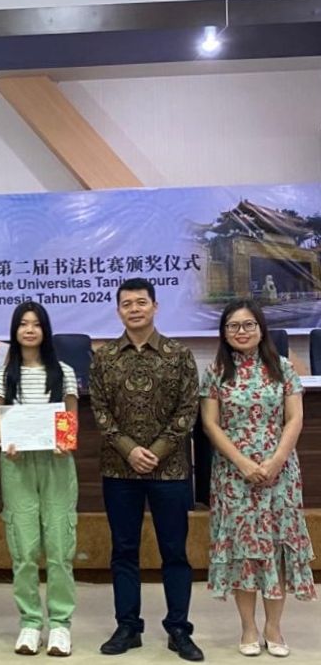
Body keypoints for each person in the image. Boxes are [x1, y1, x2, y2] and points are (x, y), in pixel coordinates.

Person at [89, 277, 203, 661]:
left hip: (169, 471)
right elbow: (100, 412)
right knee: (124, 550)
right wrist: (129, 450)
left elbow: (187, 411)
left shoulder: (179, 355)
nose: (134, 309)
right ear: (118, 310)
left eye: (141, 302)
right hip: (119, 471)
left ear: (155, 306)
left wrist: (153, 451)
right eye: (127, 304)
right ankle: (128, 627)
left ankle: (179, 629)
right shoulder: (104, 357)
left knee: (174, 551)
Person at [199, 299, 315, 657]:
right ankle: (248, 627)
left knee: (276, 548)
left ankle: (274, 627)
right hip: (234, 475)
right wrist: (242, 463)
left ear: (261, 329)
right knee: (244, 551)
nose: (241, 332)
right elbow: (210, 424)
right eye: (233, 326)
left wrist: (276, 461)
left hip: (279, 473)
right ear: (224, 333)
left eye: (248, 324)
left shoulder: (283, 368)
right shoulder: (216, 371)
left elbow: (295, 419)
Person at [0, 301, 78, 657]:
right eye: (23, 324)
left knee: (59, 547)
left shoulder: (64, 372)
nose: (29, 330)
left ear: (45, 330)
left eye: (36, 324)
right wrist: (4, 442)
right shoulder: (2, 374)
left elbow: (70, 420)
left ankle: (60, 624)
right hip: (17, 462)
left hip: (57, 462)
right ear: (15, 331)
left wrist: (65, 442)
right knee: (24, 549)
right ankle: (29, 622)